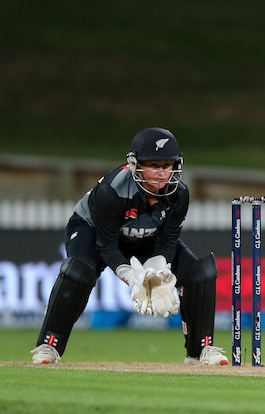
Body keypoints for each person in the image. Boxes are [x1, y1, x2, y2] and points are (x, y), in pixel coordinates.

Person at [30, 127, 228, 366]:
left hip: (147, 237)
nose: (161, 173)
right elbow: (107, 246)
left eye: (167, 165)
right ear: (135, 165)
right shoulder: (111, 191)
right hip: (91, 231)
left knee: (200, 273)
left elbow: (167, 241)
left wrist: (157, 270)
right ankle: (48, 345)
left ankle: (200, 351)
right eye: (153, 165)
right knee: (78, 271)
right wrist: (134, 278)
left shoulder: (180, 195)